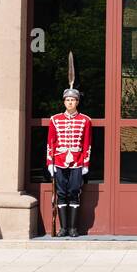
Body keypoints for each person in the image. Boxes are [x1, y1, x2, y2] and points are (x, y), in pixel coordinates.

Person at [46, 81, 92, 238]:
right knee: (61, 193)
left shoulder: (85, 120)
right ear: (64, 101)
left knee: (74, 192)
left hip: (77, 162)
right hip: (59, 161)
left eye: (73, 100)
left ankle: (73, 228)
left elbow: (87, 144)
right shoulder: (55, 119)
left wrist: (85, 163)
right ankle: (63, 228)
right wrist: (49, 163)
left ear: (77, 102)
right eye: (67, 100)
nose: (70, 102)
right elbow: (50, 143)